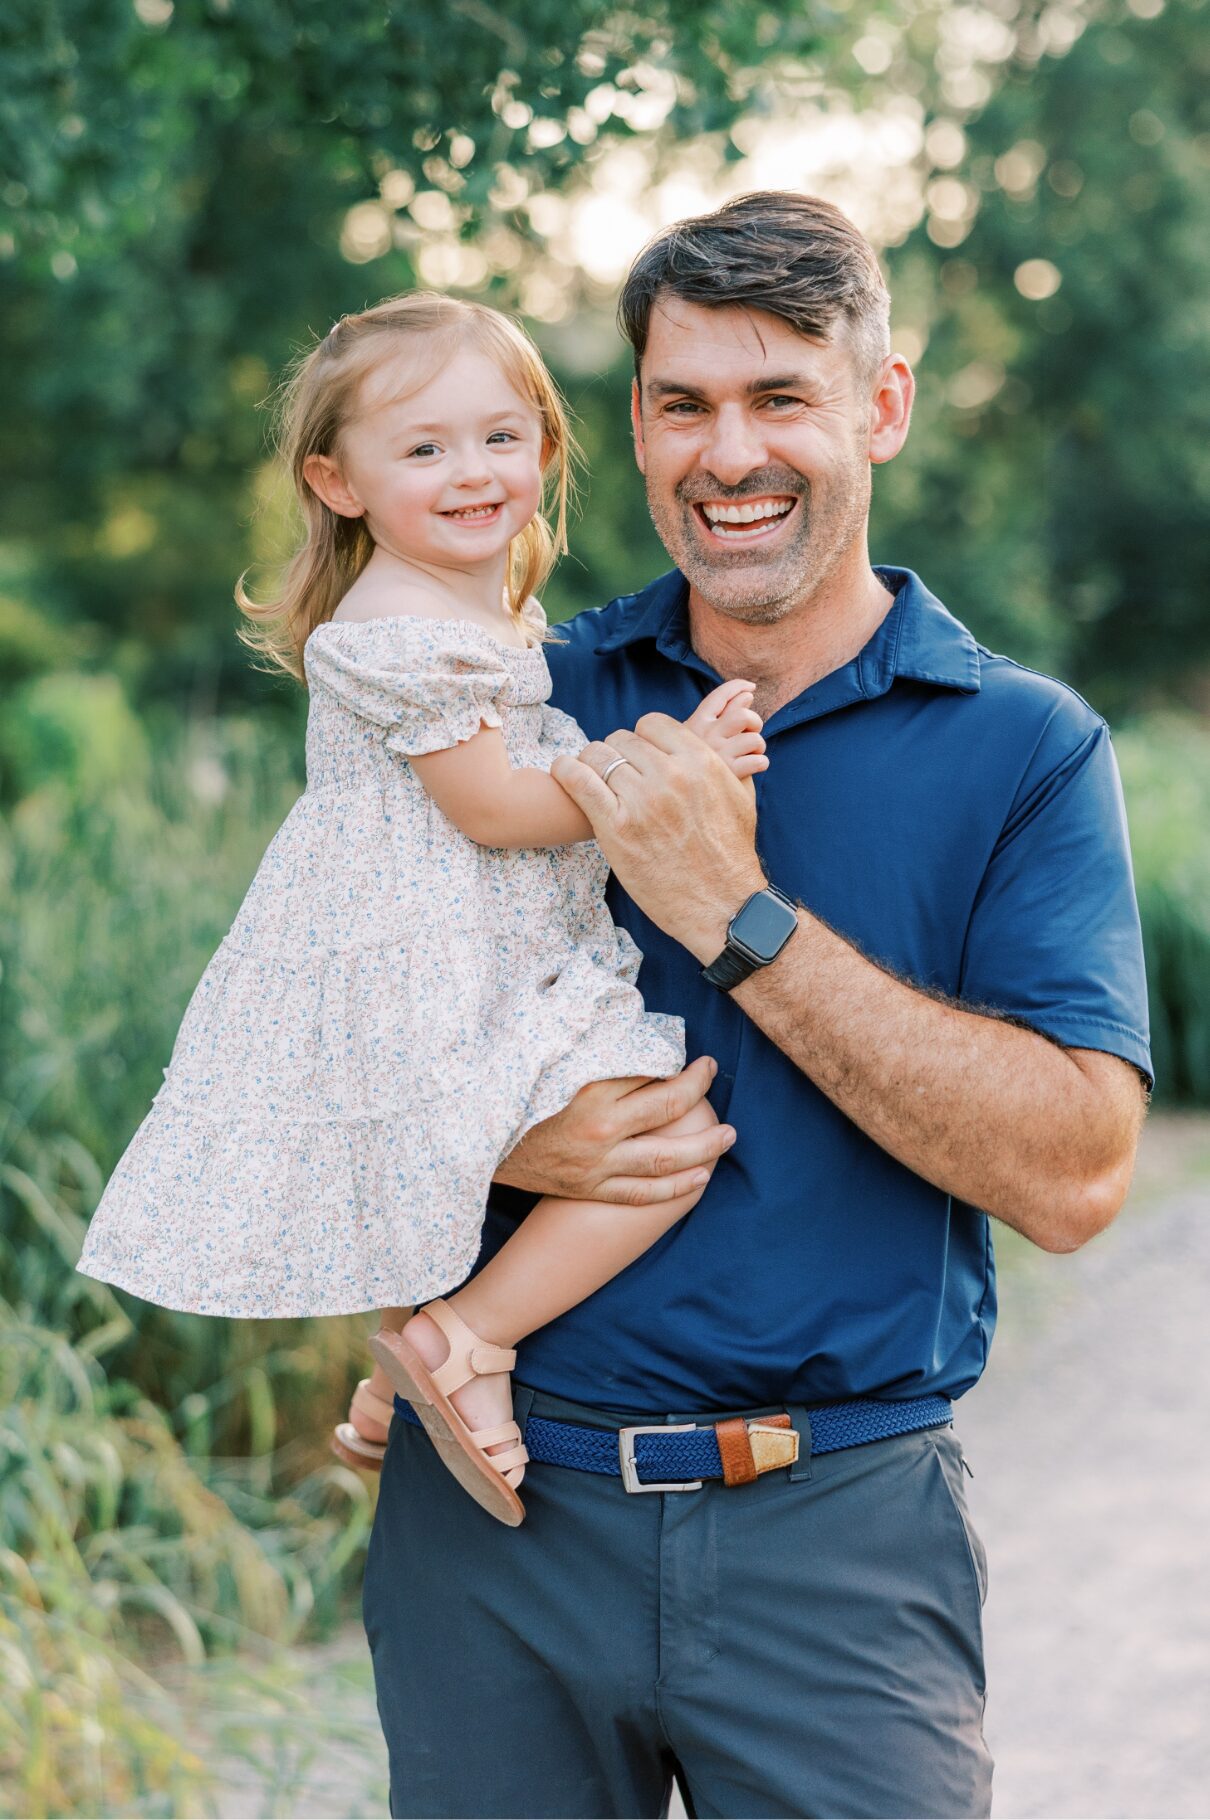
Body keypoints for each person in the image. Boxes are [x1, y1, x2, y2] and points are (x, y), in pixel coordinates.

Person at [364, 193, 1153, 1818]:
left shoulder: (1025, 751)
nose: (729, 453)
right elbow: (326, 1056)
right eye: (683, 404)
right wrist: (531, 1145)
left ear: (882, 405)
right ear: (638, 428)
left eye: (779, 396)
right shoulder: (515, 703)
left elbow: (1075, 1177)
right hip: (500, 1536)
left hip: (840, 1540)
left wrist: (736, 919)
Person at [75, 291, 767, 1525]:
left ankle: (413, 1385)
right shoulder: (395, 623)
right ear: (337, 481)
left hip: (462, 945)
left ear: (547, 448)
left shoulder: (472, 612)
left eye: (502, 437)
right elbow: (498, 807)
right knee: (663, 1143)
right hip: (432, 960)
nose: (472, 471)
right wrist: (681, 768)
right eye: (425, 446)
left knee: (440, 1191)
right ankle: (465, 1341)